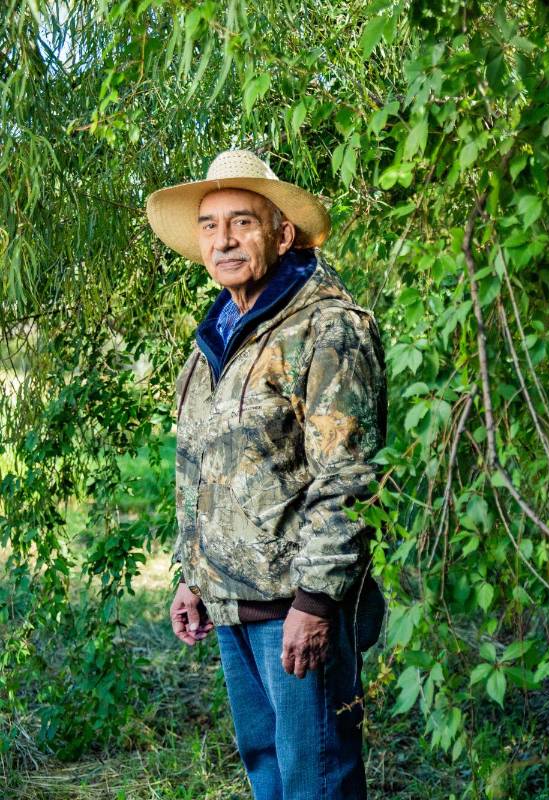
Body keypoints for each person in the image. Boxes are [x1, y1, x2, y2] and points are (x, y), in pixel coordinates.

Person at [147, 149, 387, 800]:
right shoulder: (214, 340)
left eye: (242, 222)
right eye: (210, 225)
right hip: (230, 608)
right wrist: (191, 577)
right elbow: (199, 465)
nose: (222, 239)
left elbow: (349, 476)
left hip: (296, 611)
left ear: (282, 233)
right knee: (271, 783)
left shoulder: (328, 327)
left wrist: (314, 603)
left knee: (318, 784)